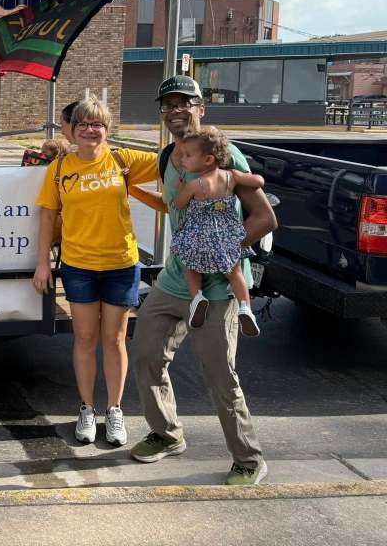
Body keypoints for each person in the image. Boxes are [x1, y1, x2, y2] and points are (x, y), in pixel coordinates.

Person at [130, 75, 276, 486]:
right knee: (145, 354)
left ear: (201, 108)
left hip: (220, 288)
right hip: (176, 279)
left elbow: (265, 218)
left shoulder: (225, 156)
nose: (176, 109)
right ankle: (166, 433)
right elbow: (175, 207)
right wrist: (133, 191)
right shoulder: (167, 158)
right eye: (168, 104)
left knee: (218, 373)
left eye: (185, 102)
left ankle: (249, 459)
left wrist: (225, 251)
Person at [32, 96, 158, 447]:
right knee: (85, 339)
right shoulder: (59, 168)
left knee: (115, 339)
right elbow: (46, 216)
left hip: (120, 263)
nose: (91, 130)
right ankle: (87, 409)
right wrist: (42, 262)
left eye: (98, 124)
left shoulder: (123, 159)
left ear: (107, 130)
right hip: (79, 267)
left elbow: (175, 161)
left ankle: (114, 411)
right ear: (72, 130)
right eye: (84, 124)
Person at [171, 126, 265, 336]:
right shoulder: (231, 176)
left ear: (207, 160)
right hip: (226, 236)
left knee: (191, 266)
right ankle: (245, 308)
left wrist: (179, 190)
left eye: (188, 155)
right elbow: (258, 181)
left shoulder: (196, 184)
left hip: (198, 237)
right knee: (235, 273)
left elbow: (178, 204)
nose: (183, 159)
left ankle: (197, 299)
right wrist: (256, 179)